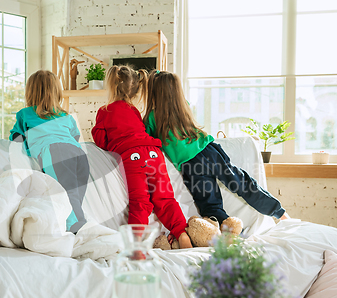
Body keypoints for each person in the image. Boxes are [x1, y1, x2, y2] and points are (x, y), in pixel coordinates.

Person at [144, 70, 289, 229]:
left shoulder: (152, 117)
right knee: (240, 183)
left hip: (192, 165)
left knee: (210, 203)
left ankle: (267, 217)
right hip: (209, 151)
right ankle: (276, 215)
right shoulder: (183, 105)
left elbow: (145, 140)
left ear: (154, 92)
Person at [91, 65, 192, 248]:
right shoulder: (134, 111)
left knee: (140, 202)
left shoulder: (105, 111)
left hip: (133, 157)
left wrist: (112, 145)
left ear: (111, 87)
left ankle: (135, 244)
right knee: (166, 198)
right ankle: (181, 233)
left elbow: (100, 140)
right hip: (154, 153)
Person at [9, 70, 89, 233]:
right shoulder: (66, 116)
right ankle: (77, 223)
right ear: (57, 92)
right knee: (74, 194)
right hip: (79, 155)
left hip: (55, 152)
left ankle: (74, 227)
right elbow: (75, 137)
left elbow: (15, 137)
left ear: (30, 92)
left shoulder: (25, 114)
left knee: (63, 193)